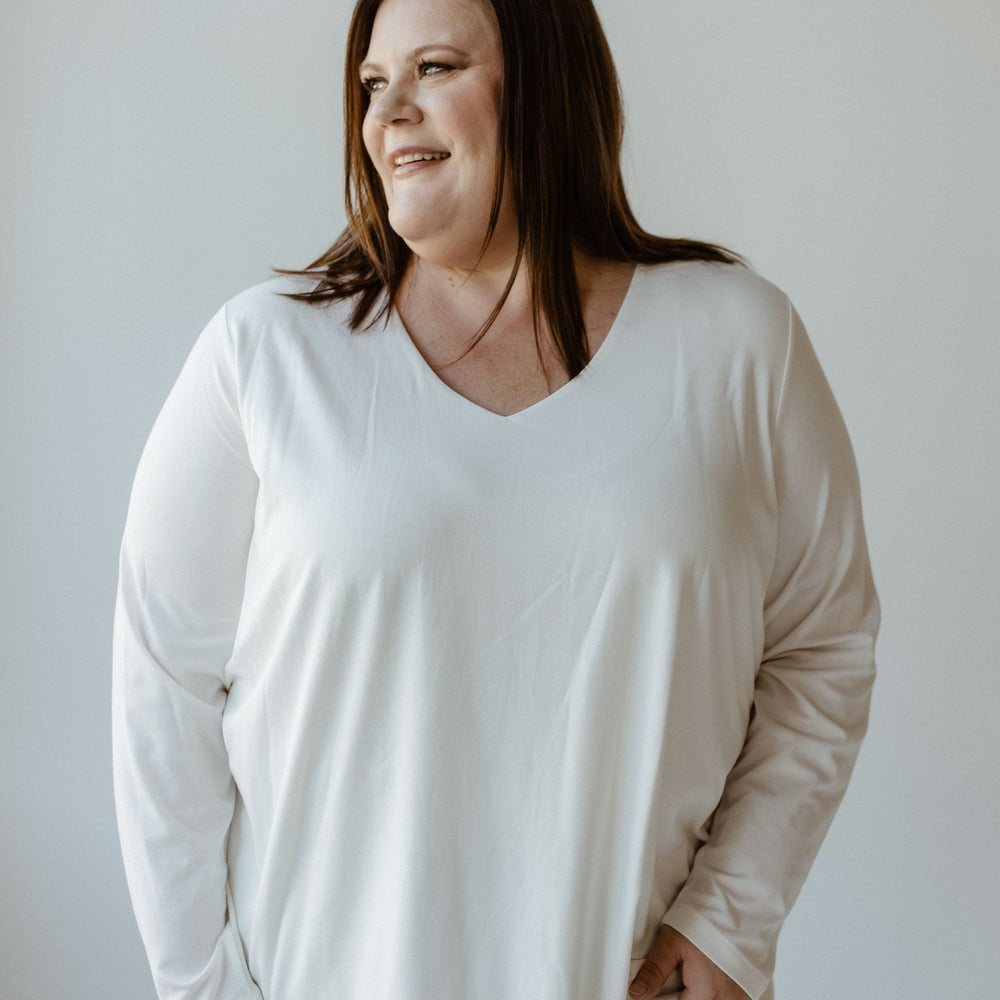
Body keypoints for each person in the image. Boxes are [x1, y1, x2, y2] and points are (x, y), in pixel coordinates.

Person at [112, 0, 879, 997]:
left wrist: (729, 920)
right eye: (373, 84)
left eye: (434, 66)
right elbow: (159, 684)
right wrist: (200, 987)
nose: (389, 115)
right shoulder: (264, 357)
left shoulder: (739, 344)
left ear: (549, 82)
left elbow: (823, 649)